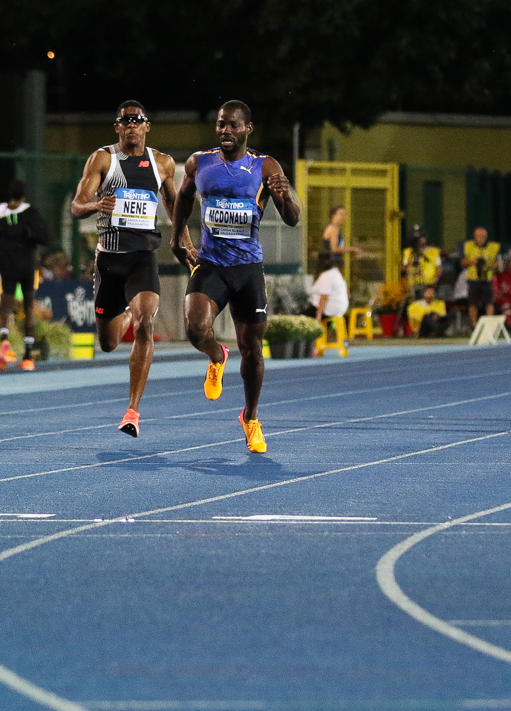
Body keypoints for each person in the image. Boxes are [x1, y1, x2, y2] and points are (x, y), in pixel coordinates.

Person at [171, 100, 300, 454]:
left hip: (247, 270)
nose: (225, 131)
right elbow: (182, 198)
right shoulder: (200, 163)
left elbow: (292, 219)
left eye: (233, 125)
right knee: (195, 329)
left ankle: (251, 417)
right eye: (221, 124)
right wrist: (177, 239)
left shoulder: (265, 166)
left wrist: (284, 195)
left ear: (248, 129)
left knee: (253, 350)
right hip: (211, 263)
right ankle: (217, 356)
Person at [71, 100, 181, 435]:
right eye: (126, 121)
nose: (132, 125)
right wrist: (96, 205)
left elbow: (174, 204)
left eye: (137, 120)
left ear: (147, 126)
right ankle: (129, 312)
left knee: (146, 322)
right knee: (108, 343)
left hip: (142, 258)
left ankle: (132, 411)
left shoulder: (162, 163)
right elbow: (76, 207)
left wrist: (184, 241)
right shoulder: (103, 159)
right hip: (109, 260)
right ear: (117, 127)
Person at [0, 179, 50, 370]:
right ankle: (27, 356)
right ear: (24, 194)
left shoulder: (0, 211)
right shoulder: (30, 212)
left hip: (6, 264)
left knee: (6, 307)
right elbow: (45, 238)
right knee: (29, 308)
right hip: (26, 265)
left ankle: (4, 342)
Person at [461, 226, 500, 325]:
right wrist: (473, 262)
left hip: (487, 279)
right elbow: (463, 262)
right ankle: (474, 324)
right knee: (472, 303)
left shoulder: (493, 247)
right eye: (479, 236)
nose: (481, 238)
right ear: (475, 236)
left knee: (489, 302)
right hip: (473, 279)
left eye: (483, 236)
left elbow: (497, 264)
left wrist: (488, 266)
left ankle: (489, 323)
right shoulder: (468, 246)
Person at [309, 250, 349, 324]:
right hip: (338, 309)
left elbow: (324, 297)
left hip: (328, 310)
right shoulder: (335, 273)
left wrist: (318, 316)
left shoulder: (327, 275)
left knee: (299, 317)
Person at [321, 205, 364, 270]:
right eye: (341, 214)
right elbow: (334, 249)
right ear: (333, 215)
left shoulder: (336, 229)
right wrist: (352, 249)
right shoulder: (333, 229)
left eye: (345, 215)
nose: (344, 217)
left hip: (333, 264)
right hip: (330, 265)